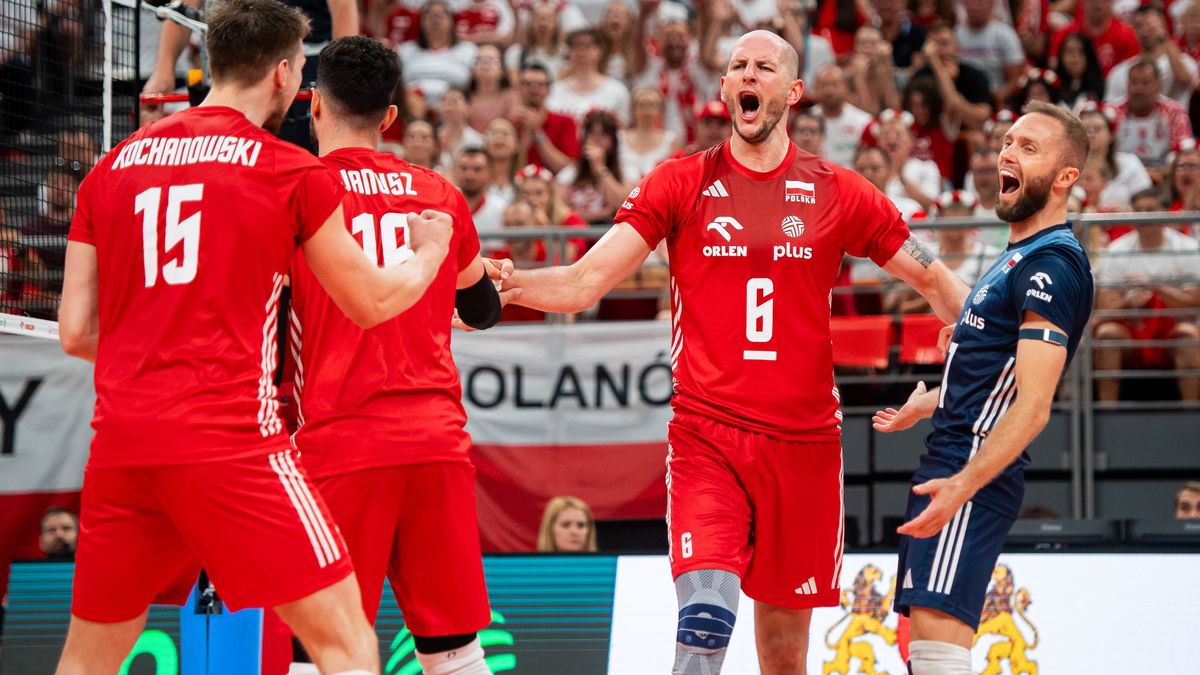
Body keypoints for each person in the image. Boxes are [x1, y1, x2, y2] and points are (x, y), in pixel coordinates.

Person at [499, 30, 970, 673]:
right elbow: (586, 281)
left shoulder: (837, 188)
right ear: (724, 89)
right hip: (708, 435)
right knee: (705, 616)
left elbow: (934, 280)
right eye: (738, 67)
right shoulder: (680, 182)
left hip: (804, 447)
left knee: (783, 655)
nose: (749, 75)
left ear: (793, 91)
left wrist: (990, 331)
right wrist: (505, 286)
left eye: (765, 67)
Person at [56, 2, 454, 673]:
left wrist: (156, 352)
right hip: (230, 443)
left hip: (123, 443)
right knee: (348, 641)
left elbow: (75, 331)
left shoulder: (112, 166)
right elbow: (372, 301)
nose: (300, 89)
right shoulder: (288, 171)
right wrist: (430, 250)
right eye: (300, 72)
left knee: (88, 660)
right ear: (279, 72)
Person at [288, 35, 506, 675]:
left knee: (322, 646)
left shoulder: (294, 192)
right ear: (390, 118)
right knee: (454, 650)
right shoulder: (439, 193)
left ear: (313, 107)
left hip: (339, 445)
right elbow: (482, 310)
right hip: (435, 444)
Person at [872, 102, 1094, 675]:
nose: (1008, 154)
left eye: (1029, 148)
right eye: (1008, 143)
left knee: (938, 652)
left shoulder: (1054, 266)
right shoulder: (1015, 256)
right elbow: (993, 372)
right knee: (929, 648)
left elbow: (1035, 404)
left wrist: (963, 484)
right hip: (951, 457)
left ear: (1066, 177)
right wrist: (934, 400)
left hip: (968, 467)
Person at [1092, 188, 1200, 402]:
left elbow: (1194, 304)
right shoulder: (1117, 250)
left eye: (1150, 210)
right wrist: (1128, 302)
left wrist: (1157, 288)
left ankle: (1192, 417)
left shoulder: (1187, 248)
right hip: (1132, 330)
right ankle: (1107, 415)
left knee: (1188, 335)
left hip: (1172, 329)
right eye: (1138, 210)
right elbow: (1105, 308)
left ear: (1164, 213)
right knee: (1107, 335)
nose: (1143, 216)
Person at [1105, 5, 1199, 107]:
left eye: (1150, 26)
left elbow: (1187, 80)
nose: (1144, 31)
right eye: (1139, 26)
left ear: (1163, 27)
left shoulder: (1184, 61)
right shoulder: (1120, 72)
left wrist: (1164, 37)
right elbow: (1111, 110)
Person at [1113, 59, 1194, 173]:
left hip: (1164, 176)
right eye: (1134, 82)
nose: (1139, 88)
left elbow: (1183, 151)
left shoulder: (1174, 111)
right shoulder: (1112, 112)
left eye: (1145, 83)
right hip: (1122, 175)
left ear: (1159, 85)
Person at [556, 110, 633, 224]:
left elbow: (622, 204)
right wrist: (596, 215)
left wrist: (600, 168)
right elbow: (558, 210)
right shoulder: (570, 172)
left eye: (603, 134)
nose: (597, 139)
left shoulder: (628, 171)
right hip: (579, 234)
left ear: (613, 141)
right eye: (592, 133)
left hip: (612, 234)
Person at [399, 0, 478, 108]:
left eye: (441, 15)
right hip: (413, 108)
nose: (435, 20)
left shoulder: (468, 50)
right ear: (421, 21)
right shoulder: (406, 50)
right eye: (430, 15)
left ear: (452, 21)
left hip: (455, 108)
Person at [545, 28, 631, 126]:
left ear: (599, 51)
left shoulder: (618, 90)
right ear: (569, 52)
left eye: (587, 45)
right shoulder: (553, 90)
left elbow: (624, 130)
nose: (581, 51)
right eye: (575, 46)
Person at [512, 63, 579, 173]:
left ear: (549, 90)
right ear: (519, 89)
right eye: (527, 84)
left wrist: (537, 133)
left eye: (540, 84)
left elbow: (569, 171)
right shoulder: (510, 124)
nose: (533, 89)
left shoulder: (565, 122)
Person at [955, 0, 1026, 101]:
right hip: (962, 99)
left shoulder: (1005, 34)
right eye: (969, 1)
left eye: (980, 1)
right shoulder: (955, 35)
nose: (974, 5)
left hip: (995, 98)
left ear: (991, 3)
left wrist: (995, 99)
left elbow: (1016, 79)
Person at [1048, 0, 1139, 75]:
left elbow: (1131, 71)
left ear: (1112, 2)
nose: (1097, 3)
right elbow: (1053, 68)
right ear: (1081, 2)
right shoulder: (1064, 35)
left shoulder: (1127, 36)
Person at [811, 64, 873, 168]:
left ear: (846, 88)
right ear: (814, 88)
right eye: (823, 85)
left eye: (835, 84)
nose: (829, 91)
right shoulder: (805, 121)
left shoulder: (864, 122)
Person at [620, 87, 683, 184]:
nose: (646, 110)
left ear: (661, 110)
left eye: (652, 105)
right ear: (632, 109)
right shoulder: (619, 138)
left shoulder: (671, 141)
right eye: (642, 104)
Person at [454, 146, 507, 239]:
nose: (469, 175)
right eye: (463, 168)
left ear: (489, 172)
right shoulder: (444, 205)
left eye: (477, 169)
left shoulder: (501, 210)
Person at [465, 43, 514, 133]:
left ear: (502, 70)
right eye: (479, 61)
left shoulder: (511, 98)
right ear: (472, 69)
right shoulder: (465, 99)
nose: (485, 65)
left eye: (492, 61)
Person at [1054, 32, 1106, 110]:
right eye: (1069, 52)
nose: (1075, 58)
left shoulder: (1101, 86)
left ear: (1089, 57)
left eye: (1081, 52)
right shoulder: (1053, 85)